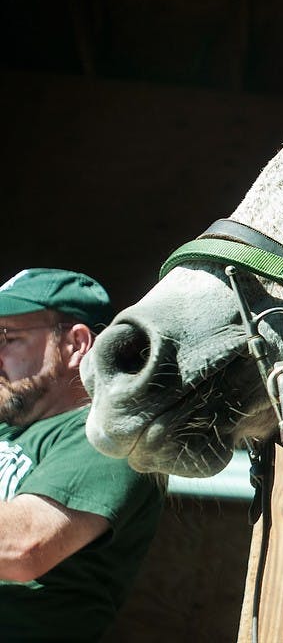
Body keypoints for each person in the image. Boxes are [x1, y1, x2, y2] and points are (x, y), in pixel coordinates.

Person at [0, 268, 164, 642]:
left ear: (75, 345)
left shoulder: (110, 437)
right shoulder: (11, 424)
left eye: (6, 338)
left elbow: (25, 545)